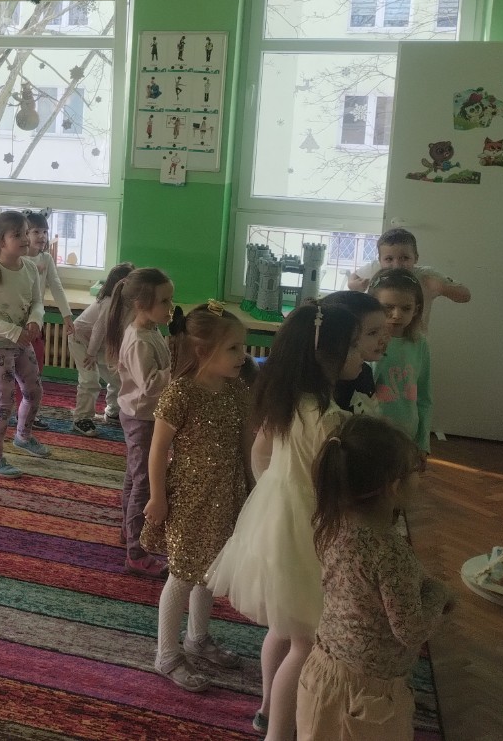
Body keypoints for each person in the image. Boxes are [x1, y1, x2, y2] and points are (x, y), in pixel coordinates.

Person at [206, 303, 363, 741]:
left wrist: (273, 493)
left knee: (283, 626)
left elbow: (260, 453)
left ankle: (266, 708)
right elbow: (334, 486)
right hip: (305, 526)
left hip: (275, 517)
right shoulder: (329, 418)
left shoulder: (290, 400)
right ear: (327, 355)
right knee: (307, 641)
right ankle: (279, 731)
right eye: (354, 346)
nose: (361, 355)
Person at [297, 416, 453, 740]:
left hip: (321, 673)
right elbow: (411, 630)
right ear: (394, 487)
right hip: (368, 696)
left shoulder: (333, 524)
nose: (421, 474)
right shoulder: (390, 552)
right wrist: (440, 594)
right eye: (417, 468)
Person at [142, 303, 255, 691]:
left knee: (211, 569)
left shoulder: (237, 390)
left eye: (243, 347)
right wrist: (157, 497)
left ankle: (197, 638)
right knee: (182, 574)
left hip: (228, 493)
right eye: (233, 348)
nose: (243, 356)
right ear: (204, 351)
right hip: (191, 499)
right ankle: (166, 654)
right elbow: (158, 450)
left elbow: (246, 444)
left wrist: (252, 487)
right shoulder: (181, 393)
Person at [105, 266, 175, 576]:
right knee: (144, 482)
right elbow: (150, 384)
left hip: (144, 414)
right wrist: (179, 370)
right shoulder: (139, 341)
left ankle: (128, 529)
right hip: (140, 417)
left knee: (135, 477)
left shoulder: (150, 330)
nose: (170, 307)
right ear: (140, 305)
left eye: (170, 300)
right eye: (164, 302)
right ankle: (136, 551)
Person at [0, 210, 48, 478]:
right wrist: (14, 332)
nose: (26, 239)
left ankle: (23, 437)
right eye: (18, 235)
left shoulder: (30, 268)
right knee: (4, 401)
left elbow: (37, 302)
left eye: (26, 233)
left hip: (22, 340)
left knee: (34, 390)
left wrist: (35, 320)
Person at [0, 210, 70, 431]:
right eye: (35, 232)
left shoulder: (44, 259)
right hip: (6, 330)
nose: (41, 236)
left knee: (33, 371)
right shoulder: (8, 264)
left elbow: (55, 287)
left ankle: (27, 412)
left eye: (45, 232)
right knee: (6, 375)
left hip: (33, 325)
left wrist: (67, 315)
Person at [345, 227, 470, 329]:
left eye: (404, 258)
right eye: (389, 259)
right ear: (380, 260)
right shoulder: (375, 268)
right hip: (379, 338)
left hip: (414, 340)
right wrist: (353, 284)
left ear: (416, 258)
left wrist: (441, 287)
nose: (397, 265)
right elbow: (354, 276)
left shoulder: (426, 275)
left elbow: (465, 296)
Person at [369, 268, 435, 453]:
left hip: (407, 435)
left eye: (406, 308)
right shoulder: (366, 340)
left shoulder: (420, 344)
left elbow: (424, 397)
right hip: (371, 434)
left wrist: (423, 442)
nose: (397, 315)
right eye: (388, 307)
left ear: (416, 310)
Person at [68, 261, 134, 435]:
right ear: (121, 284)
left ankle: (113, 411)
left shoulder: (128, 304)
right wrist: (90, 354)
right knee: (90, 379)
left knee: (118, 376)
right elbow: (99, 329)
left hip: (101, 343)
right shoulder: (109, 303)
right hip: (81, 340)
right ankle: (81, 418)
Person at [320, 290, 388, 415]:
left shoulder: (364, 372)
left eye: (384, 330)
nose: (383, 340)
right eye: (372, 333)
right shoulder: (326, 383)